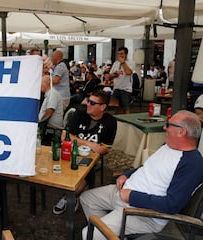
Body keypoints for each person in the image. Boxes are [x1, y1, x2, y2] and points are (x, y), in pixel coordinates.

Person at [80, 110, 203, 240]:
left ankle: (103, 232)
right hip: (125, 193)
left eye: (168, 124)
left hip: (144, 214)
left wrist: (132, 196)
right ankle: (111, 234)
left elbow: (171, 205)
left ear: (181, 131)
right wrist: (126, 175)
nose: (164, 127)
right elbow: (146, 167)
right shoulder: (168, 146)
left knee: (88, 233)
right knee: (87, 198)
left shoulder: (192, 164)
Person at [53, 90, 117, 215]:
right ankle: (69, 194)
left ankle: (68, 198)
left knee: (78, 185)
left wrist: (78, 141)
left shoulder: (111, 122)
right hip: (69, 152)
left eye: (92, 103)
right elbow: (64, 137)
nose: (88, 104)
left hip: (90, 158)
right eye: (88, 101)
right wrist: (90, 144)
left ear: (103, 107)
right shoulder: (79, 114)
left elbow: (105, 148)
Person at [39, 74, 64, 145]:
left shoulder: (52, 94)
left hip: (52, 131)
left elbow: (49, 112)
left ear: (45, 84)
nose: (39, 86)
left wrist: (39, 122)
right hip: (48, 129)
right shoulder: (49, 94)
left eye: (40, 83)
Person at [109, 46, 135, 114]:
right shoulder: (116, 63)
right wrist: (115, 74)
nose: (120, 55)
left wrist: (123, 62)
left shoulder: (131, 62)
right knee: (117, 107)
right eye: (119, 54)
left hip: (126, 89)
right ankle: (119, 121)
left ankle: (127, 122)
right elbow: (110, 75)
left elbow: (128, 72)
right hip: (116, 88)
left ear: (126, 54)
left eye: (121, 53)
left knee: (126, 108)